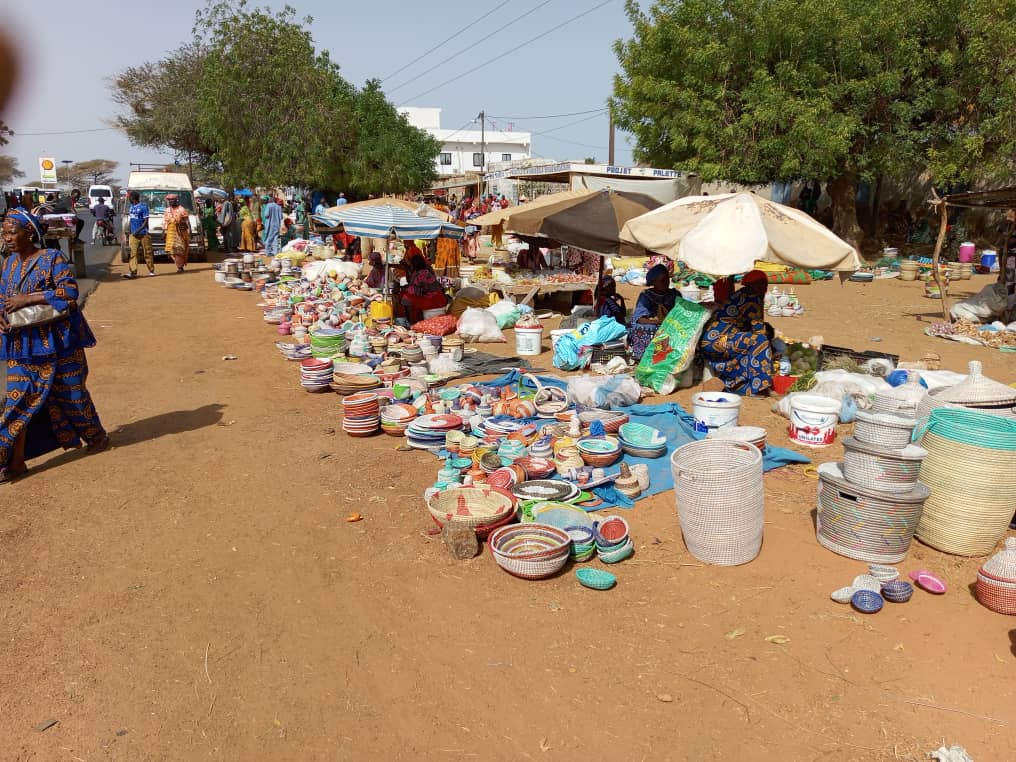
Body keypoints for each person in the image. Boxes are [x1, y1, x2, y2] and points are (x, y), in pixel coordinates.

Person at [0, 209, 109, 484]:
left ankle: (97, 438)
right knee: (18, 403)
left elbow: (69, 294)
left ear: (30, 234)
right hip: (22, 345)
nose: (8, 238)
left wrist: (29, 299)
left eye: (13, 232)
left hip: (60, 343)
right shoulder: (8, 264)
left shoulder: (51, 258)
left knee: (72, 396)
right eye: (4, 233)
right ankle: (15, 462)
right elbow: (3, 298)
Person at [699, 269, 773, 396]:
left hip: (713, 339)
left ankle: (738, 382)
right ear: (753, 285)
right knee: (760, 341)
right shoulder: (752, 298)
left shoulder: (741, 294)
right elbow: (759, 330)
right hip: (718, 340)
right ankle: (758, 386)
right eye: (761, 285)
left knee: (749, 342)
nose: (763, 288)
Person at [629, 263, 678, 361]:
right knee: (645, 328)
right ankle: (645, 358)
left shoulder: (675, 294)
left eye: (667, 279)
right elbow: (639, 319)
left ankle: (673, 358)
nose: (666, 283)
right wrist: (660, 322)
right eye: (662, 281)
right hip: (655, 326)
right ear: (654, 282)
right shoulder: (646, 296)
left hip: (673, 325)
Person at [400, 253, 447, 323]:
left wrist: (406, 289)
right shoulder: (427, 271)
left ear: (413, 265)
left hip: (431, 300)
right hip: (440, 297)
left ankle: (412, 321)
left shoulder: (419, 274)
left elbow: (413, 291)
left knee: (405, 297)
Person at [125, 190, 154, 278]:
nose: (128, 198)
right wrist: (129, 231)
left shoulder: (144, 207)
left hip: (143, 234)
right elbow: (131, 220)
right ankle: (133, 272)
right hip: (133, 235)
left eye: (129, 197)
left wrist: (138, 230)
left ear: (133, 198)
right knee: (133, 253)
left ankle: (151, 270)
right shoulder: (131, 207)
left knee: (147, 253)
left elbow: (145, 222)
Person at [163, 193, 190, 272]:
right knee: (171, 251)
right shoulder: (167, 210)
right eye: (169, 200)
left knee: (179, 250)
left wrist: (190, 231)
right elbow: (165, 222)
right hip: (170, 234)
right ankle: (178, 264)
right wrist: (163, 231)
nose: (171, 202)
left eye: (173, 200)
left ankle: (180, 267)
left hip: (180, 233)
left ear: (176, 200)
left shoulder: (182, 209)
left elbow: (187, 221)